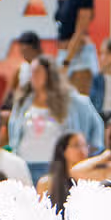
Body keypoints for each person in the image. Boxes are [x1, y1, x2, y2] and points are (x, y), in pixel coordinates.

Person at [7, 56, 102, 184]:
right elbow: (13, 132)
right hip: (26, 163)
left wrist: (91, 149)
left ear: (49, 74)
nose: (33, 76)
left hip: (55, 165)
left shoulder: (71, 101)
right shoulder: (23, 102)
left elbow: (96, 124)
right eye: (31, 72)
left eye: (37, 72)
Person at [54, 0, 98, 92]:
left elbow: (79, 32)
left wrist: (67, 61)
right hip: (63, 53)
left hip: (79, 54)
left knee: (79, 100)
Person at [39, 131, 89, 211]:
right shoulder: (46, 183)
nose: (82, 150)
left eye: (84, 146)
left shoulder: (90, 180)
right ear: (63, 150)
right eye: (76, 145)